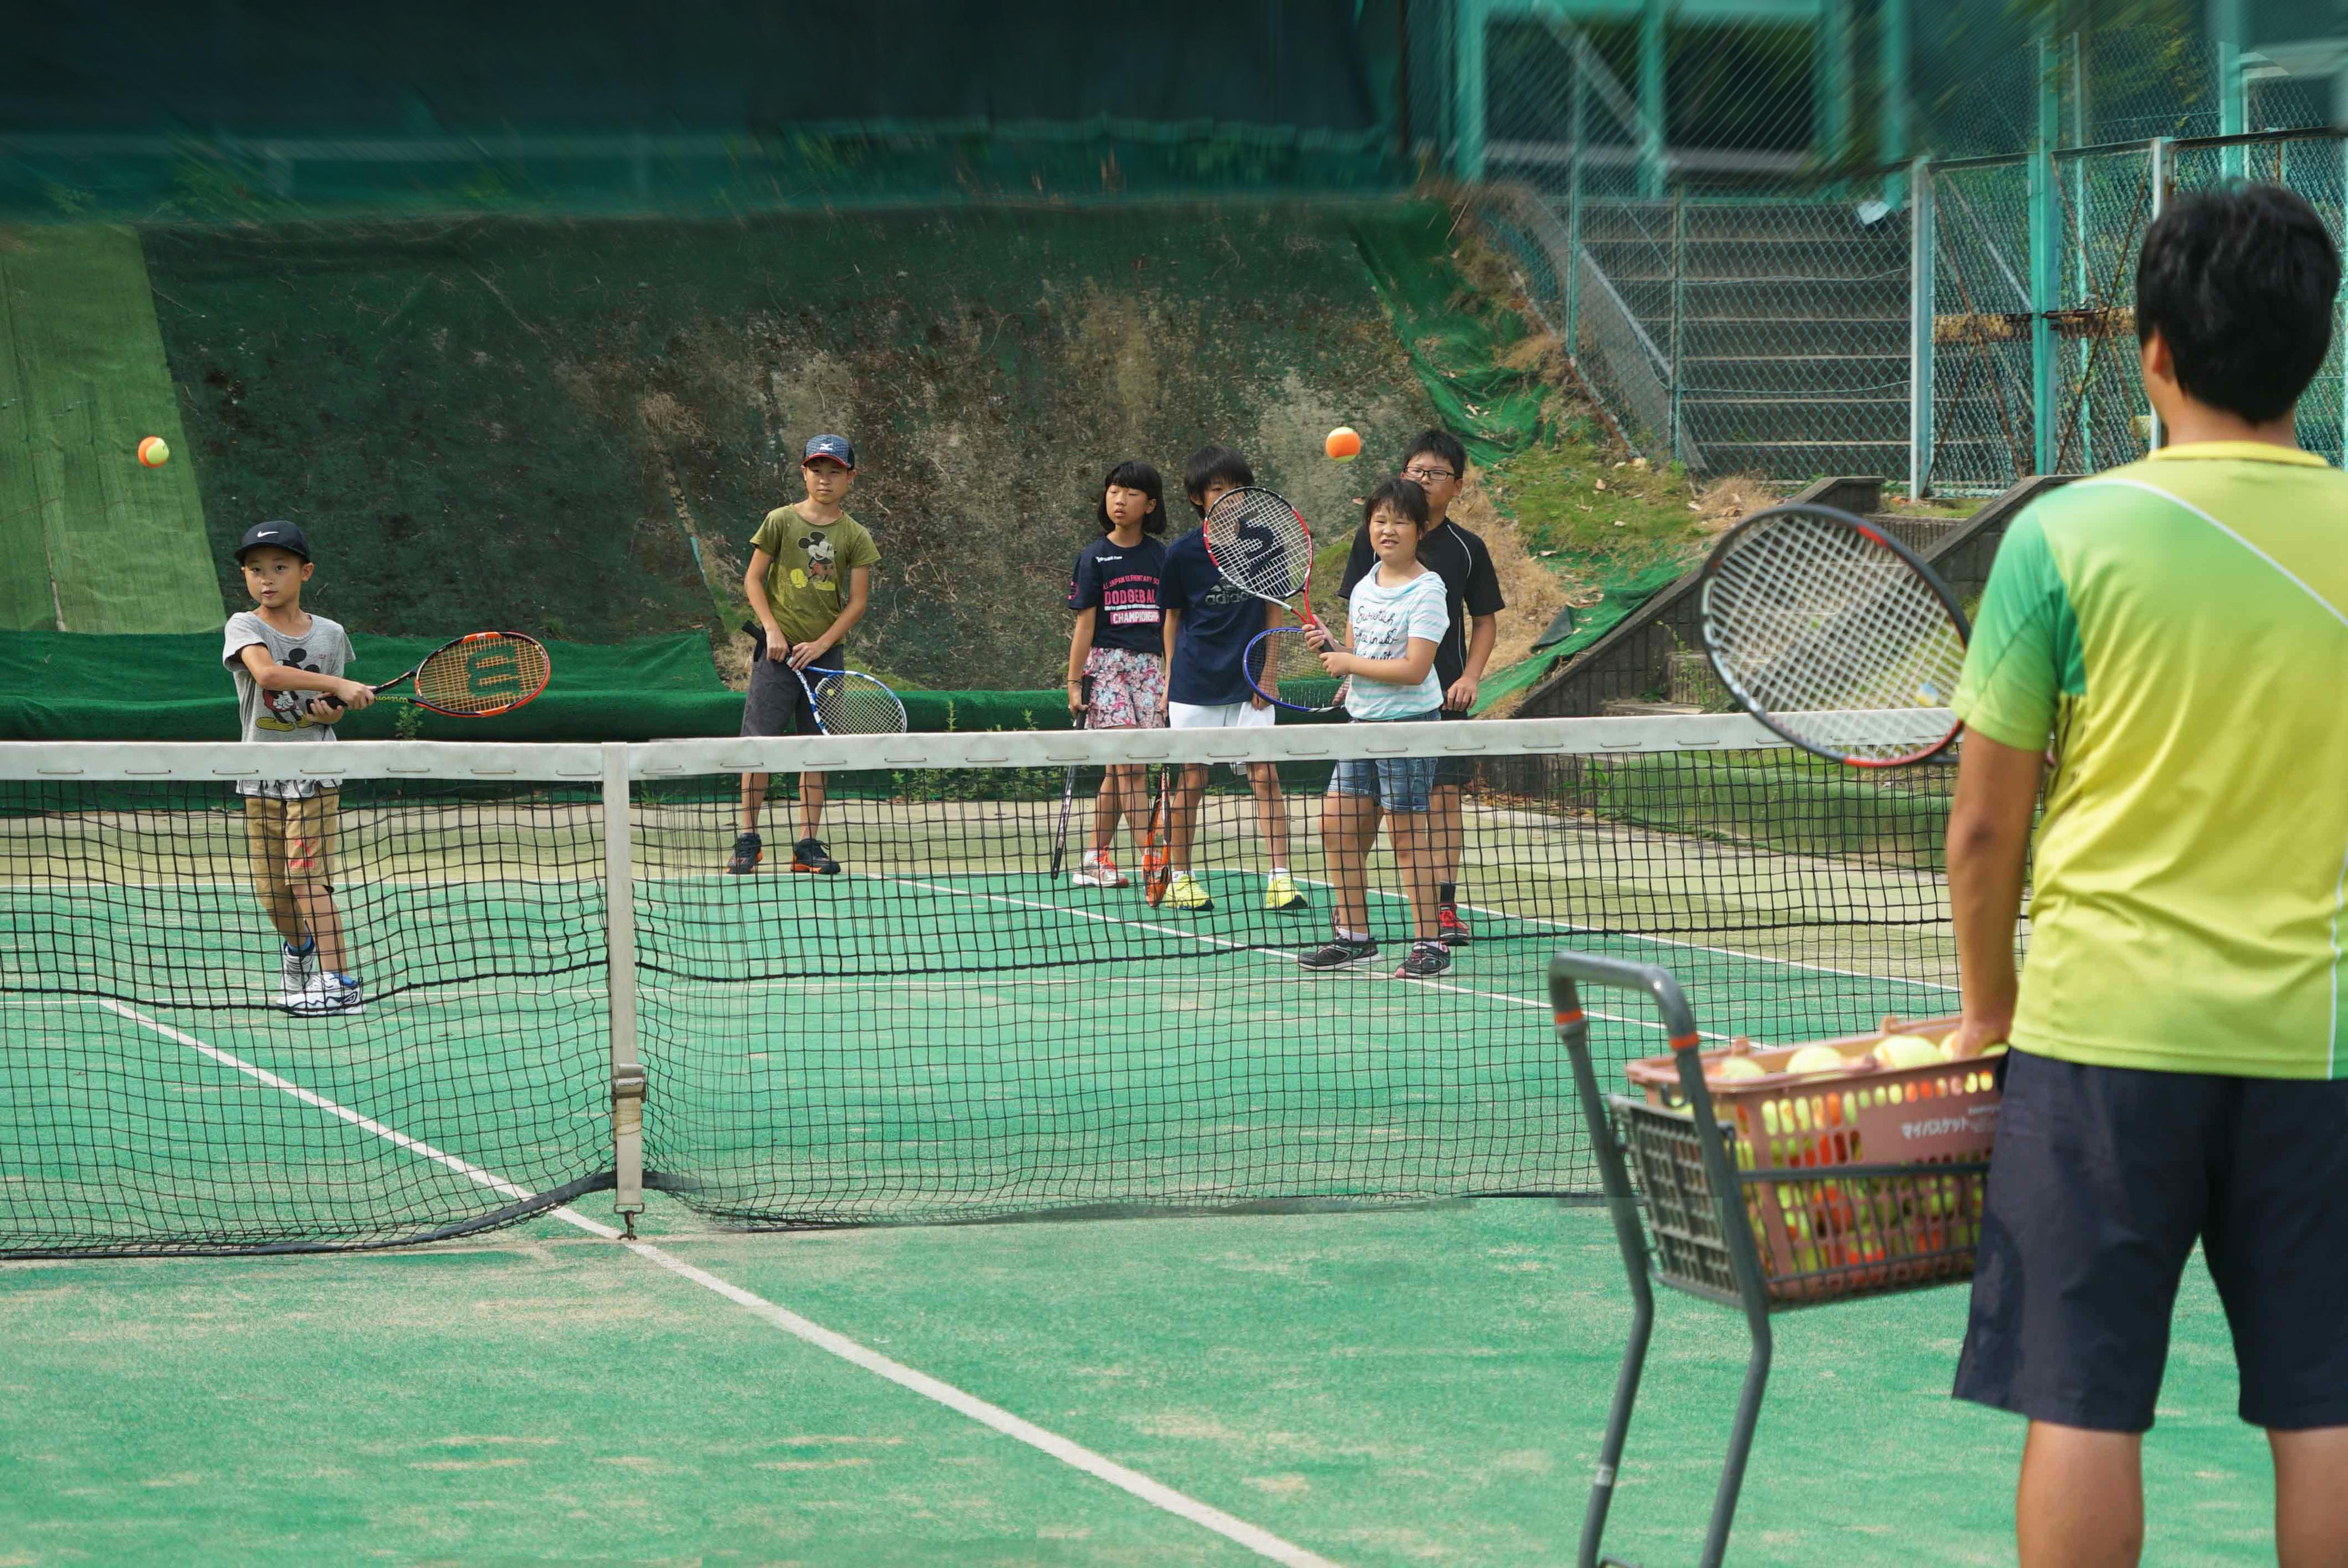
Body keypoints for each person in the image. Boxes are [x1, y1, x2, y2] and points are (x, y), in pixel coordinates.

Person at [1942, 183, 2348, 1567]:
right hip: (2322, 1038)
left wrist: (1985, 1008)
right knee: (2331, 1406)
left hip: (2104, 1034)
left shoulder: (2061, 537)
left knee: (2081, 1399)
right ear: (2318, 345)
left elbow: (1986, 829)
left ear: (2152, 351)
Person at [1336, 429, 1502, 946]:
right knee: (1347, 819)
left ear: (1456, 487)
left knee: (1441, 803)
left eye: (1436, 474)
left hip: (1433, 700)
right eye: (1416, 471)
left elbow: (1485, 621)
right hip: (1371, 705)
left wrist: (1470, 677)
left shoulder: (1465, 551)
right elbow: (1357, 612)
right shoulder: (1373, 542)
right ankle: (1352, 928)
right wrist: (1350, 669)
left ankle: (1440, 914)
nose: (1424, 481)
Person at [221, 520, 378, 1016]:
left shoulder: (331, 635)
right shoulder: (243, 626)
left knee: (307, 879)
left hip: (314, 772)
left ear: (305, 572)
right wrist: (335, 689)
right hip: (259, 772)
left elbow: (318, 710)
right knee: (272, 894)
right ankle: (300, 952)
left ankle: (339, 983)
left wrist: (329, 707)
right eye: (255, 570)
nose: (266, 578)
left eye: (280, 567)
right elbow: (266, 675)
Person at [1298, 479, 1451, 979]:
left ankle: (1430, 944)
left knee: (1408, 838)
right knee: (1336, 827)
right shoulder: (1365, 584)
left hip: (1407, 727)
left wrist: (1350, 663)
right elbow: (1354, 650)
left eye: (1399, 521)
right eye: (1380, 520)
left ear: (1419, 530)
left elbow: (1413, 668)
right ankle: (1354, 938)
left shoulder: (1429, 590)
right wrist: (1333, 650)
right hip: (1359, 725)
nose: (1388, 530)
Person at [1153, 445, 1306, 914]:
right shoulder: (1181, 552)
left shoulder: (1264, 543)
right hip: (1195, 681)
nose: (1229, 497)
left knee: (1265, 775)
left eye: (1236, 489)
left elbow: (1272, 609)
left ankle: (1280, 879)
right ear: (1199, 498)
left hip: (1249, 682)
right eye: (1217, 489)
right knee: (1193, 779)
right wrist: (1167, 682)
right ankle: (1180, 877)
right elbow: (1173, 619)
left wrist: (1269, 672)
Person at [731, 434, 878, 876]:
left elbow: (857, 603)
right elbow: (754, 581)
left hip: (824, 661)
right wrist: (772, 631)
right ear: (804, 473)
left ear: (850, 477)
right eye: (817, 470)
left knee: (815, 752)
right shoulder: (779, 521)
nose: (825, 479)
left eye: (835, 471)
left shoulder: (855, 535)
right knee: (758, 748)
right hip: (774, 658)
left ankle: (807, 845)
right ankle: (748, 840)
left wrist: (821, 644)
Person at [1064, 460, 1169, 889]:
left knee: (1118, 769)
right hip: (1106, 667)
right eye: (1113, 491)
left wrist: (1171, 677)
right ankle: (1154, 855)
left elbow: (1170, 622)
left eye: (1130, 493)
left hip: (1150, 669)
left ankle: (1094, 858)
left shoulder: (1163, 556)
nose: (1119, 500)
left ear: (1150, 505)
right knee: (1130, 768)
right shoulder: (1094, 556)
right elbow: (1084, 625)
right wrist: (1074, 682)